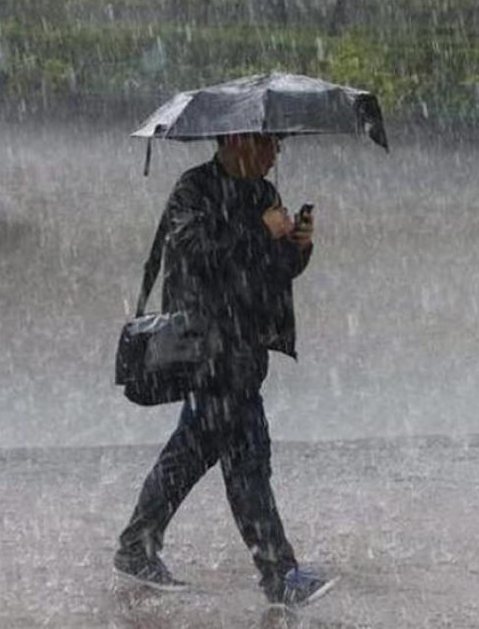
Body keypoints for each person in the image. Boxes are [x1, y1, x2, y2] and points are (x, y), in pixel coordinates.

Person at [113, 132, 337, 608]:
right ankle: (279, 573)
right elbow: (196, 255)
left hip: (246, 347)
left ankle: (138, 545)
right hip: (209, 349)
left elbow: (274, 268)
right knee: (247, 460)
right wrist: (260, 231)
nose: (276, 153)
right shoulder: (193, 190)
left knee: (196, 453)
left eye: (278, 145)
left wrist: (296, 246)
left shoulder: (263, 193)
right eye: (269, 143)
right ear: (237, 140)